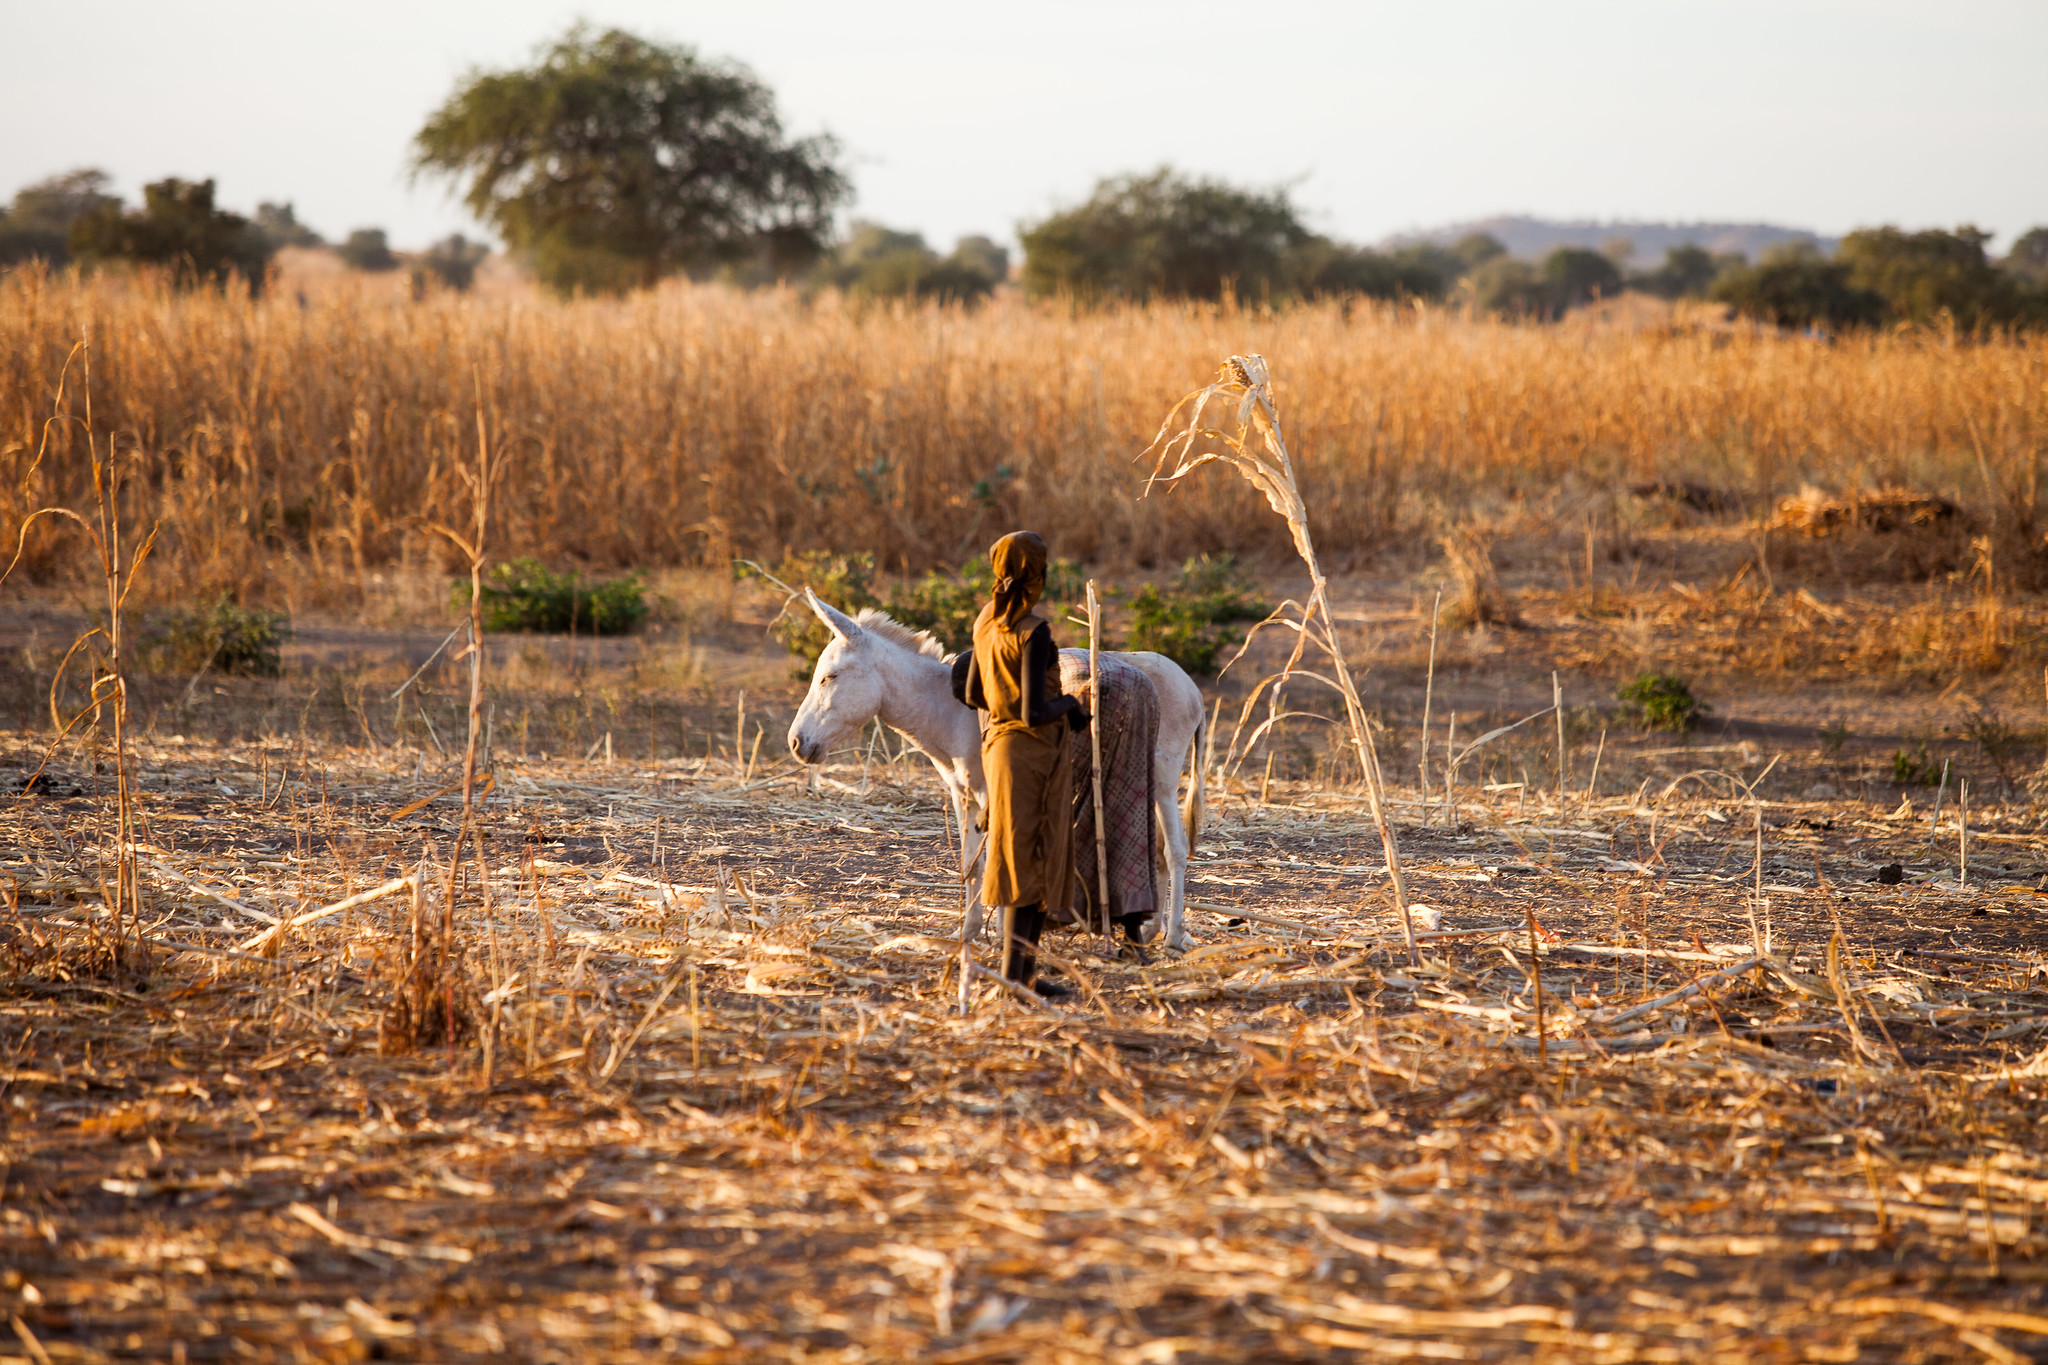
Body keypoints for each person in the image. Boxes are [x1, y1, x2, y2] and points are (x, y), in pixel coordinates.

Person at [951, 532, 1089, 996]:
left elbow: (971, 694)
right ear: (1037, 576)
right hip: (1030, 753)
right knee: (1024, 858)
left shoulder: (985, 625)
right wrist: (1070, 705)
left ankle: (1022, 976)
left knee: (1021, 856)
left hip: (1001, 751)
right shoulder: (1034, 631)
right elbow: (1033, 711)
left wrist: (1002, 697)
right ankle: (1015, 979)